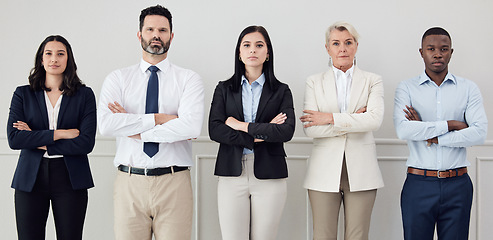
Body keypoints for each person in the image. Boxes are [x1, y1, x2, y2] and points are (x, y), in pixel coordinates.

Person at [97, 5, 204, 240]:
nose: (156, 35)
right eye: (150, 29)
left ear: (171, 36)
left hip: (174, 182)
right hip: (129, 183)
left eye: (163, 30)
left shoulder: (189, 79)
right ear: (140, 34)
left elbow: (191, 127)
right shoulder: (118, 78)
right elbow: (106, 125)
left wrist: (136, 130)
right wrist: (159, 119)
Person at [394, 27, 488, 240]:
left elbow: (479, 133)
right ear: (421, 52)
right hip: (419, 184)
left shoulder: (468, 89)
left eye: (444, 49)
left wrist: (430, 135)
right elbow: (403, 129)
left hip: (458, 185)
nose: (438, 54)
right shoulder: (406, 88)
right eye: (431, 49)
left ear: (451, 52)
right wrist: (452, 124)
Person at [209, 25, 295, 240]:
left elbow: (286, 131)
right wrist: (260, 133)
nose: (252, 50)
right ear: (239, 53)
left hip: (270, 175)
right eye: (246, 45)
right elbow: (215, 129)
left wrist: (241, 125)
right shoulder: (224, 88)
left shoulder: (281, 90)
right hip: (231, 173)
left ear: (268, 53)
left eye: (259, 45)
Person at [7, 35, 96, 240]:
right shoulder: (23, 94)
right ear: (41, 59)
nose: (54, 58)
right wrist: (61, 134)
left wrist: (37, 140)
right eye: (48, 53)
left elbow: (85, 143)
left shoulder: (84, 95)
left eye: (60, 54)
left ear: (68, 59)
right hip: (30, 178)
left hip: (70, 178)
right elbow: (15, 139)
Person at [300, 21, 384, 240]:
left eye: (348, 42)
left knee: (358, 236)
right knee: (323, 236)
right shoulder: (314, 82)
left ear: (356, 45)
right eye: (336, 43)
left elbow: (374, 120)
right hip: (322, 171)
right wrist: (355, 120)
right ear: (327, 48)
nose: (342, 48)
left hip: (363, 171)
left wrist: (328, 118)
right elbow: (310, 129)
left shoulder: (373, 81)